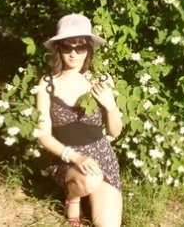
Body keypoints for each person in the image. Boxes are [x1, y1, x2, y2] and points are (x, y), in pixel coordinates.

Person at [35, 13, 123, 227]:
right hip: (67, 158)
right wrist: (76, 157)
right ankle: (73, 198)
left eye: (80, 47)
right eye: (67, 47)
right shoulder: (47, 84)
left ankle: (88, 193)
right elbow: (42, 136)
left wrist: (111, 106)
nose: (73, 53)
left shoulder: (98, 80)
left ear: (88, 49)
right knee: (90, 179)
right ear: (58, 48)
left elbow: (115, 132)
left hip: (102, 155)